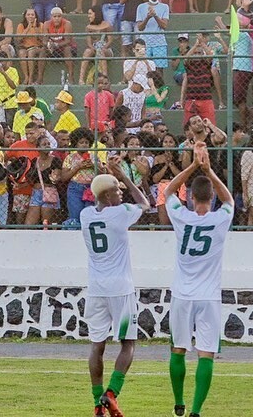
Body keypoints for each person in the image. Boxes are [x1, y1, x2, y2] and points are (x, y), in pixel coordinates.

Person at [164, 141, 234, 417]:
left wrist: (193, 166)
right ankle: (195, 411)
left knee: (178, 349)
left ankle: (178, 403)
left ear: (191, 198)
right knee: (206, 353)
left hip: (182, 293)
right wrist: (209, 170)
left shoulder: (181, 216)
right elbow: (229, 200)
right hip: (208, 296)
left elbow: (169, 190)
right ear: (211, 198)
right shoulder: (219, 219)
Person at [81, 159, 151, 417]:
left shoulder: (85, 215)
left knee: (97, 346)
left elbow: (100, 200)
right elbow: (145, 203)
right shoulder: (120, 214)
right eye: (117, 189)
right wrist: (126, 176)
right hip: (120, 288)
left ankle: (97, 403)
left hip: (96, 288)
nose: (121, 191)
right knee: (128, 343)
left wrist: (111, 179)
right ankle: (111, 394)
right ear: (107, 195)